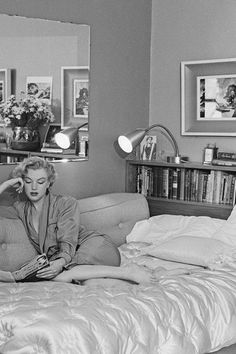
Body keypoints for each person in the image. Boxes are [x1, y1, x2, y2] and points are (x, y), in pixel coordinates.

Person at [0, 156, 164, 285]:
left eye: (40, 181)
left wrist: (59, 263)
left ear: (49, 182)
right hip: (71, 261)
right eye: (28, 182)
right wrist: (7, 184)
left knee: (61, 277)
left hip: (94, 247)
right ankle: (155, 273)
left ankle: (128, 272)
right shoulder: (20, 208)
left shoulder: (65, 203)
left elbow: (68, 240)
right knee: (93, 283)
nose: (34, 187)